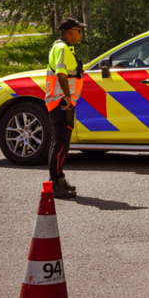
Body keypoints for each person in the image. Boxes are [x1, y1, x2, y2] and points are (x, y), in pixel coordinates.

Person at [44, 17, 86, 199]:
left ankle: (59, 178)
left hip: (63, 100)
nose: (81, 33)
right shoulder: (61, 48)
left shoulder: (65, 48)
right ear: (70, 31)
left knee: (61, 141)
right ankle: (55, 182)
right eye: (79, 30)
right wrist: (68, 97)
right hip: (61, 101)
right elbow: (61, 73)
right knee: (60, 141)